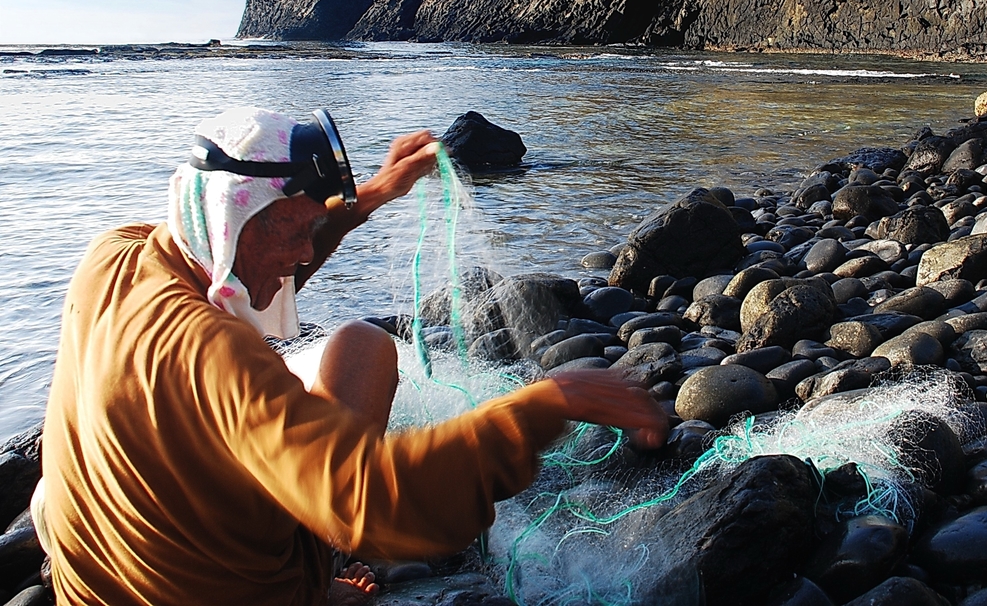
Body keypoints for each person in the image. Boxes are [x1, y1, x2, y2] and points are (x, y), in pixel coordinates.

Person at [39, 107, 667, 606]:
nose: (301, 256)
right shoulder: (213, 352)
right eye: (293, 233)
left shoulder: (114, 257)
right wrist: (542, 407)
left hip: (100, 583)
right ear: (233, 221)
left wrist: (372, 194)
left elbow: (257, 268)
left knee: (360, 344)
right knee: (360, 378)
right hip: (224, 591)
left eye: (310, 232)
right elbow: (373, 502)